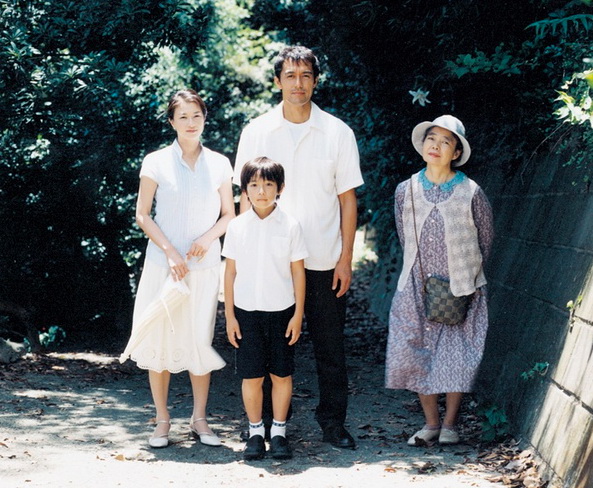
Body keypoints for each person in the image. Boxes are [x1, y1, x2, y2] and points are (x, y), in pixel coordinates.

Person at [234, 45, 364, 449]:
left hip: (324, 257)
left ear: (316, 81)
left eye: (306, 75)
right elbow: (244, 199)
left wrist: (346, 258)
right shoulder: (256, 131)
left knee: (330, 346)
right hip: (269, 264)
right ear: (277, 81)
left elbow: (347, 199)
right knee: (267, 350)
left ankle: (333, 422)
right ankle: (266, 427)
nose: (298, 83)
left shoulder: (338, 133)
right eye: (290, 76)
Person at [120, 89, 235, 448]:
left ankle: (199, 419)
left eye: (196, 115)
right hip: (163, 265)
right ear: (171, 121)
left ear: (205, 118)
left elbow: (229, 214)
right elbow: (142, 214)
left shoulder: (220, 163)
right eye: (183, 116)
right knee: (160, 337)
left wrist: (207, 238)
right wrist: (170, 252)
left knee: (199, 338)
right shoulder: (155, 161)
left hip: (203, 266)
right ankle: (162, 420)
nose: (190, 122)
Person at [385, 115, 494, 446]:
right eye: (431, 138)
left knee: (455, 353)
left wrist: (466, 275)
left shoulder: (471, 192)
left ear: (456, 152)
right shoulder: (405, 190)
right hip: (415, 284)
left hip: (459, 285)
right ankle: (431, 423)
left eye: (446, 141)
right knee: (414, 348)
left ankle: (450, 425)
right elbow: (404, 235)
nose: (436, 145)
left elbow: (486, 237)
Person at [222, 157, 307, 460]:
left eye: (269, 184)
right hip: (246, 313)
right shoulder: (236, 227)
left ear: (280, 188)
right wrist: (230, 317)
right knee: (252, 376)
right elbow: (230, 273)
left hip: (282, 311)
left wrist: (297, 315)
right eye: (254, 185)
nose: (261, 191)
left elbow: (298, 272)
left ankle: (279, 432)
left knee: (281, 374)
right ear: (245, 189)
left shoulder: (291, 225)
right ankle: (256, 432)